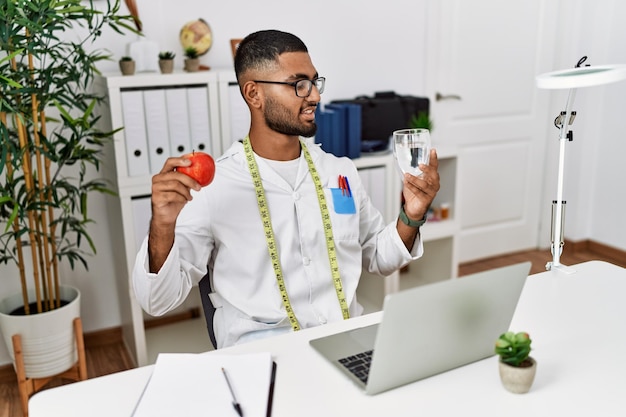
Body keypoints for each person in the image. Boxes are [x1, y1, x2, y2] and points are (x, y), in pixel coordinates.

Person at [132, 29, 440, 349]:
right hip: (261, 356)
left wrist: (412, 214)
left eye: (315, 82)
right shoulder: (212, 187)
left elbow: (379, 256)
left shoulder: (340, 173)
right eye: (299, 84)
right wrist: (162, 227)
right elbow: (157, 302)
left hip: (344, 341)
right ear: (254, 94)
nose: (315, 96)